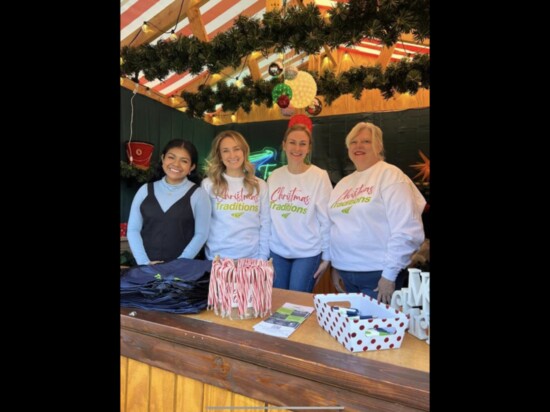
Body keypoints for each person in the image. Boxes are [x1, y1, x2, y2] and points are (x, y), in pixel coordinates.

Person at [328, 122, 425, 303]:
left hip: (378, 276)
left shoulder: (391, 176)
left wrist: (389, 275)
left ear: (379, 145)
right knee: (355, 328)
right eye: (354, 142)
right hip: (346, 273)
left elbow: (407, 230)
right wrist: (336, 267)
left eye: (366, 141)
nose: (358, 146)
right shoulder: (343, 184)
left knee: (376, 330)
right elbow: (336, 227)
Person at [267, 121, 332, 292]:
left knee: (297, 303)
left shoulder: (319, 176)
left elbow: (326, 219)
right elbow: (267, 218)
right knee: (277, 300)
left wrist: (327, 256)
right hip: (277, 251)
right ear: (284, 145)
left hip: (307, 252)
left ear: (309, 148)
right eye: (292, 142)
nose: (297, 148)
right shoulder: (274, 176)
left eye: (303, 144)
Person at [127, 139, 211, 265]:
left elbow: (201, 234)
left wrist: (179, 263)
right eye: (171, 157)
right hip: (145, 269)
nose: (176, 164)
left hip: (181, 273)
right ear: (163, 159)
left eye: (184, 161)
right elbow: (133, 229)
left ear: (191, 167)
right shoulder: (145, 190)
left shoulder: (199, 195)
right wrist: (144, 263)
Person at [201, 130, 270, 260]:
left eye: (236, 149)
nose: (232, 155)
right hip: (216, 259)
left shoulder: (260, 185)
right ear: (220, 156)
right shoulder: (208, 184)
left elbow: (265, 224)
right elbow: (203, 224)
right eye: (225, 150)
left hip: (252, 259)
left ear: (244, 151)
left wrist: (262, 257)